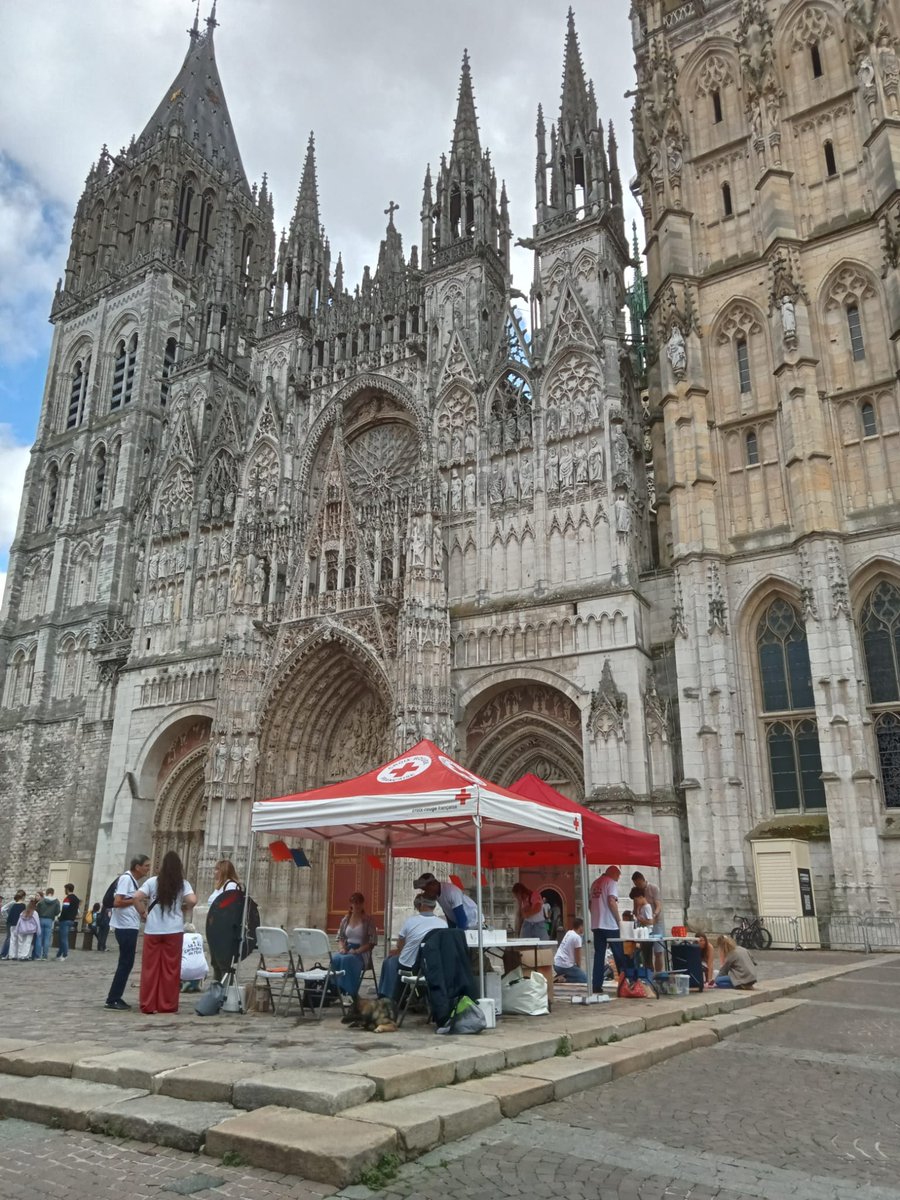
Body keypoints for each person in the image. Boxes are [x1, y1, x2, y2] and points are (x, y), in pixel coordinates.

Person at [133, 850, 196, 1014]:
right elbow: (192, 900)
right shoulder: (182, 883)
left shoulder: (153, 881)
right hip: (173, 930)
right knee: (171, 969)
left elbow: (136, 897)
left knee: (150, 968)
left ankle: (148, 1004)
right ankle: (167, 1005)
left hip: (153, 929)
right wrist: (183, 908)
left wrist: (143, 913)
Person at [106, 854, 151, 1010]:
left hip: (129, 926)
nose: (148, 868)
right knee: (125, 963)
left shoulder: (132, 880)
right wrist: (136, 899)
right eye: (146, 865)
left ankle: (115, 997)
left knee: (127, 963)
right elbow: (117, 902)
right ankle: (113, 999)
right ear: (137, 867)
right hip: (125, 927)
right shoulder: (126, 879)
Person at [378, 894, 442, 1001]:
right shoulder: (442, 924)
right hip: (431, 965)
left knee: (390, 961)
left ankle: (388, 996)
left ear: (421, 905)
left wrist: (399, 951)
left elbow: (400, 945)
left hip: (411, 965)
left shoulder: (410, 922)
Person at [332, 892, 378, 998]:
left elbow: (372, 942)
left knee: (347, 960)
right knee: (335, 959)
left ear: (362, 904)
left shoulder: (368, 920)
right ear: (351, 904)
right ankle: (335, 989)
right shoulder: (346, 919)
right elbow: (340, 937)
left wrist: (357, 951)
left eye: (358, 903)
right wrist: (342, 948)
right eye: (354, 903)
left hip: (362, 951)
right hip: (348, 948)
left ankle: (350, 992)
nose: (356, 905)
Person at [589, 865, 625, 992]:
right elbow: (611, 901)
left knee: (599, 955)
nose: (619, 878)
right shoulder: (611, 882)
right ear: (613, 874)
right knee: (619, 953)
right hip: (609, 924)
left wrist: (595, 915)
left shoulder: (594, 883)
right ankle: (623, 983)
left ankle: (596, 985)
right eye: (618, 875)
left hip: (596, 924)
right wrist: (619, 920)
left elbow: (590, 904)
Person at [206, 858, 241, 982]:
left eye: (217, 869)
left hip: (224, 929)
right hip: (214, 927)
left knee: (223, 962)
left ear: (224, 871)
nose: (214, 872)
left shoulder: (231, 885)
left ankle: (225, 990)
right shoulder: (220, 886)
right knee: (215, 962)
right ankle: (217, 989)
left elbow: (230, 905)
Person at [413, 872, 480, 930]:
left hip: (473, 923)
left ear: (433, 884)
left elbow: (461, 917)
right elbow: (449, 914)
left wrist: (459, 935)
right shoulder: (437, 893)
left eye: (426, 889)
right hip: (463, 922)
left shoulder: (451, 892)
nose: (426, 892)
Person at [630, 883, 664, 973]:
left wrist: (642, 920)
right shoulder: (641, 907)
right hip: (643, 935)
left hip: (648, 934)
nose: (636, 902)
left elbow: (651, 922)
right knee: (644, 957)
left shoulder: (647, 907)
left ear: (641, 897)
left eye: (636, 899)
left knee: (648, 958)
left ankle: (651, 974)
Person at [553, 917, 587, 983]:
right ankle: (564, 979)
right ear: (580, 927)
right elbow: (578, 956)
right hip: (565, 966)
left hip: (557, 964)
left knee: (576, 973)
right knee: (585, 979)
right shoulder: (577, 938)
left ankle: (562, 975)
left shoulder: (569, 932)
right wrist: (578, 968)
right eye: (583, 926)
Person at [55, 883, 80, 959]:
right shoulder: (76, 899)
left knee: (63, 938)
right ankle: (59, 954)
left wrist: (60, 918)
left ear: (67, 889)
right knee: (63, 937)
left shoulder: (67, 898)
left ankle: (64, 954)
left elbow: (64, 910)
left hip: (65, 920)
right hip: (71, 920)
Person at [0, 890, 27, 960]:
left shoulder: (15, 903)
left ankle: (9, 954)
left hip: (11, 922)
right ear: (23, 896)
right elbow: (3, 909)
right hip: (13, 922)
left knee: (11, 939)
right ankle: (5, 954)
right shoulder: (14, 903)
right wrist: (7, 917)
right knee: (11, 938)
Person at [36, 888, 60, 960]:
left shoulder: (42, 900)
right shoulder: (56, 901)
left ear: (46, 893)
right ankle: (45, 956)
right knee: (47, 939)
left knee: (39, 938)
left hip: (41, 919)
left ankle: (38, 955)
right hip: (49, 920)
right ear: (53, 893)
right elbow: (57, 912)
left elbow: (37, 909)